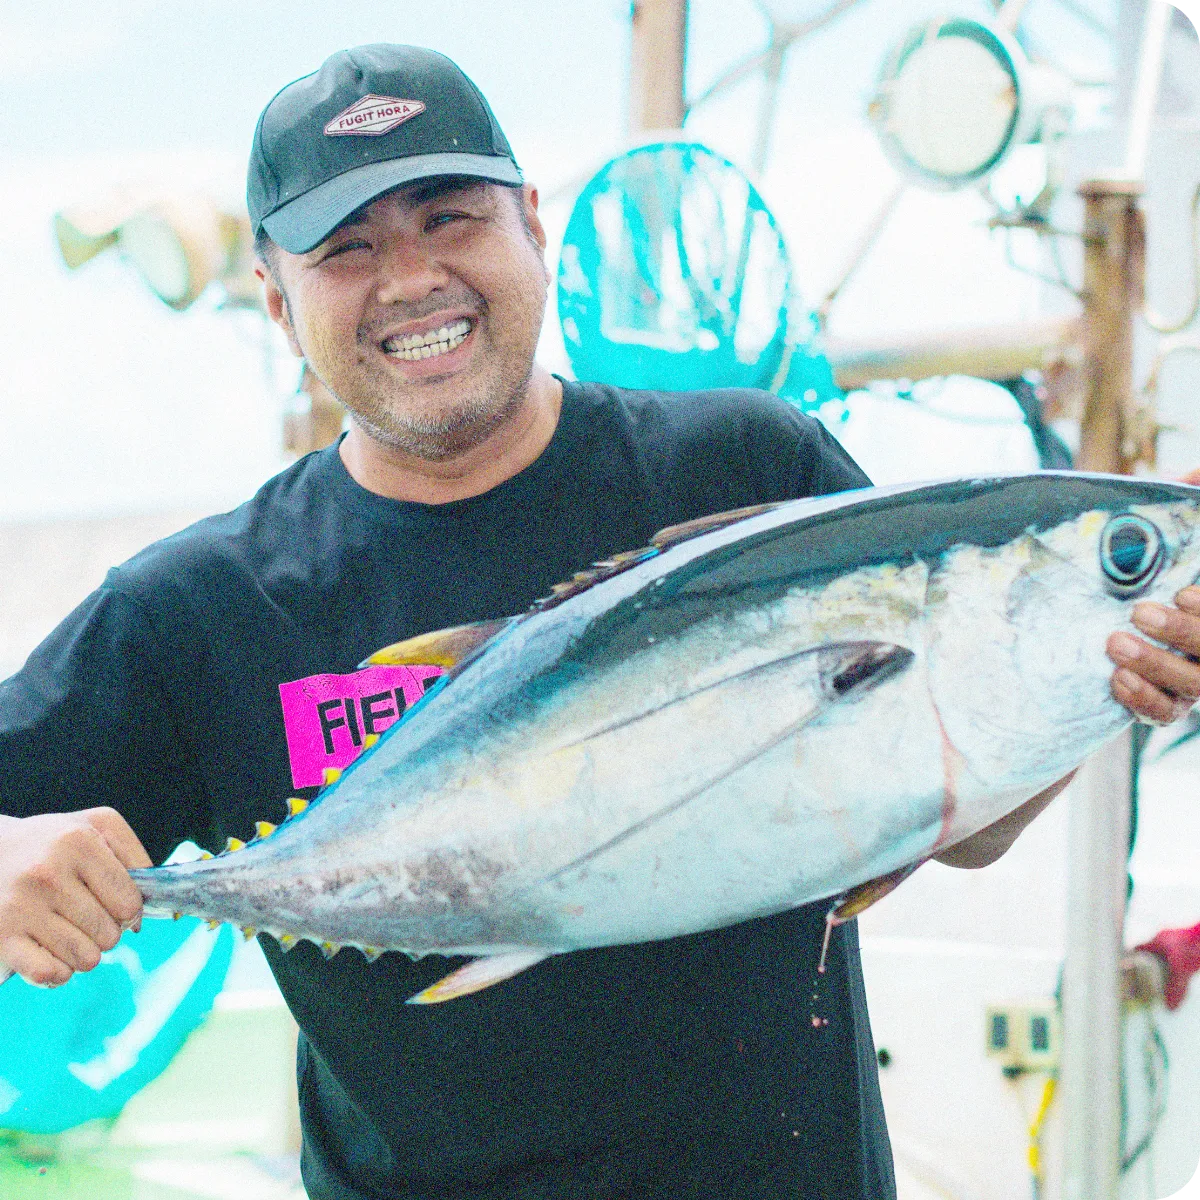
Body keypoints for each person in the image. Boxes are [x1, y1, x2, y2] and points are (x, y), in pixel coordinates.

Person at [1, 43, 1199, 1200]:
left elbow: (958, 823)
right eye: (346, 247)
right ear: (274, 297)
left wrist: (1107, 670)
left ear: (533, 218)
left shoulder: (748, 470)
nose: (411, 277)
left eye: (450, 218)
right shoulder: (194, 611)